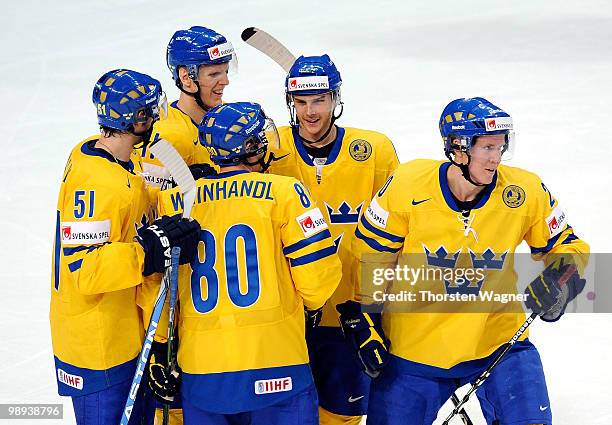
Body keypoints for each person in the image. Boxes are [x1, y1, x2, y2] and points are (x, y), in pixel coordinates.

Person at [348, 97, 589, 425]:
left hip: (499, 344)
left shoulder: (524, 190)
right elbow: (371, 255)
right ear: (458, 149)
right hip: (414, 353)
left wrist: (560, 281)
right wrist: (365, 316)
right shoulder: (408, 185)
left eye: (500, 147)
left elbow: (569, 246)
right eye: (487, 148)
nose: (496, 159)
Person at [148, 101, 343, 424]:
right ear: (252, 148)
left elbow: (160, 289)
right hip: (276, 361)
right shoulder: (286, 191)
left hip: (202, 370)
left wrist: (161, 346)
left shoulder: (176, 201)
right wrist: (308, 306)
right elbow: (318, 277)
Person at [50, 69, 201, 424]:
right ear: (136, 119)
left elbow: (133, 192)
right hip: (97, 344)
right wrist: (148, 249)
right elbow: (85, 269)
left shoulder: (107, 154)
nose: (157, 118)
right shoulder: (96, 182)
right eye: (151, 111)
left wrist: (181, 190)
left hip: (123, 333)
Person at [267, 54, 399, 425]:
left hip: (352, 317)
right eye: (301, 102)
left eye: (319, 100)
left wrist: (374, 311)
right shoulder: (269, 151)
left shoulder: (375, 151)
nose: (310, 112)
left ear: (335, 99)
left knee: (341, 416)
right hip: (289, 317)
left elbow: (398, 234)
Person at [135, 26, 237, 188]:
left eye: (226, 71)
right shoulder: (165, 135)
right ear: (186, 77)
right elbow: (153, 203)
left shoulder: (231, 118)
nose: (225, 81)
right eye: (213, 74)